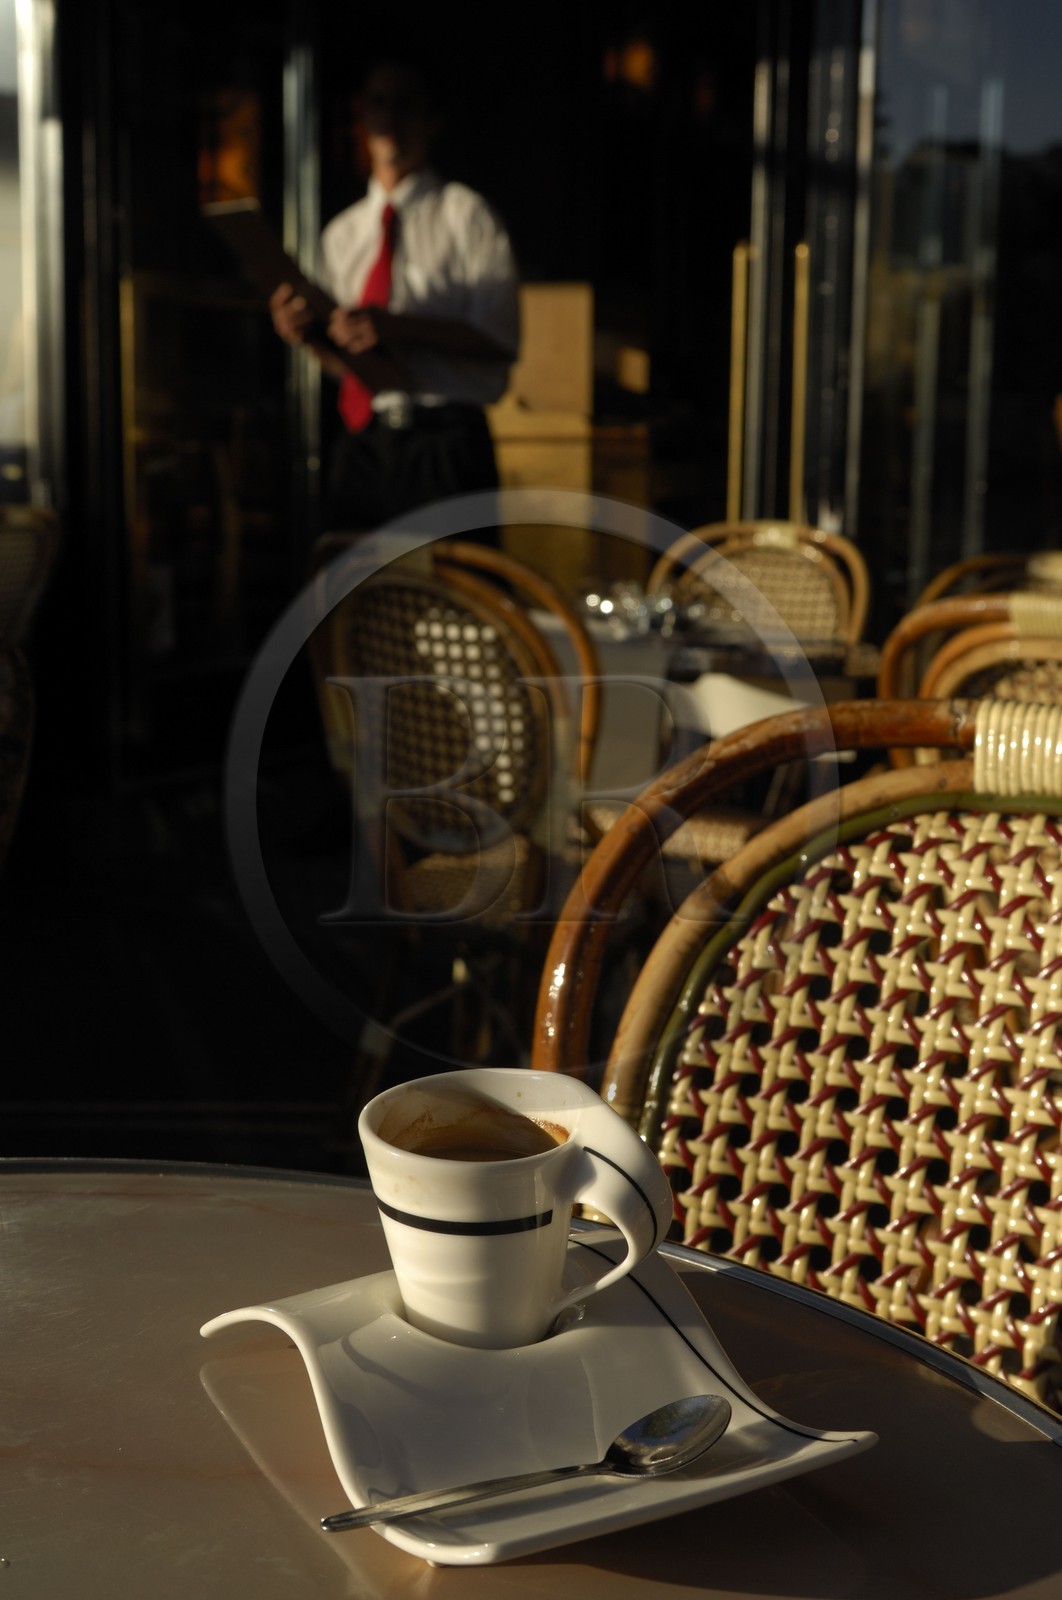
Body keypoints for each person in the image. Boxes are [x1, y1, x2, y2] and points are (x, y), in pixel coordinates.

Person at [270, 54, 520, 534]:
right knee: (355, 576)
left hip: (444, 441)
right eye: (378, 103)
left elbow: (500, 337)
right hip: (366, 441)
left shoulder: (467, 215)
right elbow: (347, 361)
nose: (390, 118)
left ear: (432, 120)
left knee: (453, 579)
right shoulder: (343, 234)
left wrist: (395, 326)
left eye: (405, 105)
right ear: (362, 116)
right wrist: (310, 338)